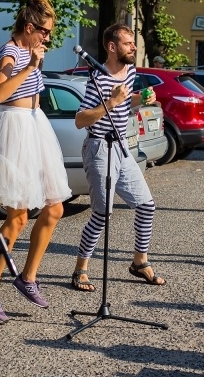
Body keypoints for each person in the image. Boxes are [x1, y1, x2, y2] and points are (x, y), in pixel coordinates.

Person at [0, 0, 70, 321]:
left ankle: (27, 277)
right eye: (45, 32)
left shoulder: (30, 51)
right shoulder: (12, 51)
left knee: (54, 208)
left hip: (34, 127)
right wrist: (29, 66)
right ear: (29, 27)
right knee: (17, 217)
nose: (48, 38)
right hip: (13, 128)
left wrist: (33, 63)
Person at [71, 23, 165, 291]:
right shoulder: (98, 79)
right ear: (112, 47)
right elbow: (80, 120)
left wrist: (139, 99)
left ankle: (139, 262)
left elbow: (125, 102)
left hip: (122, 147)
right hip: (99, 148)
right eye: (128, 43)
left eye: (133, 42)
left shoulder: (130, 71)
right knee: (101, 214)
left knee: (147, 205)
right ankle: (81, 269)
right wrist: (110, 103)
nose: (133, 47)